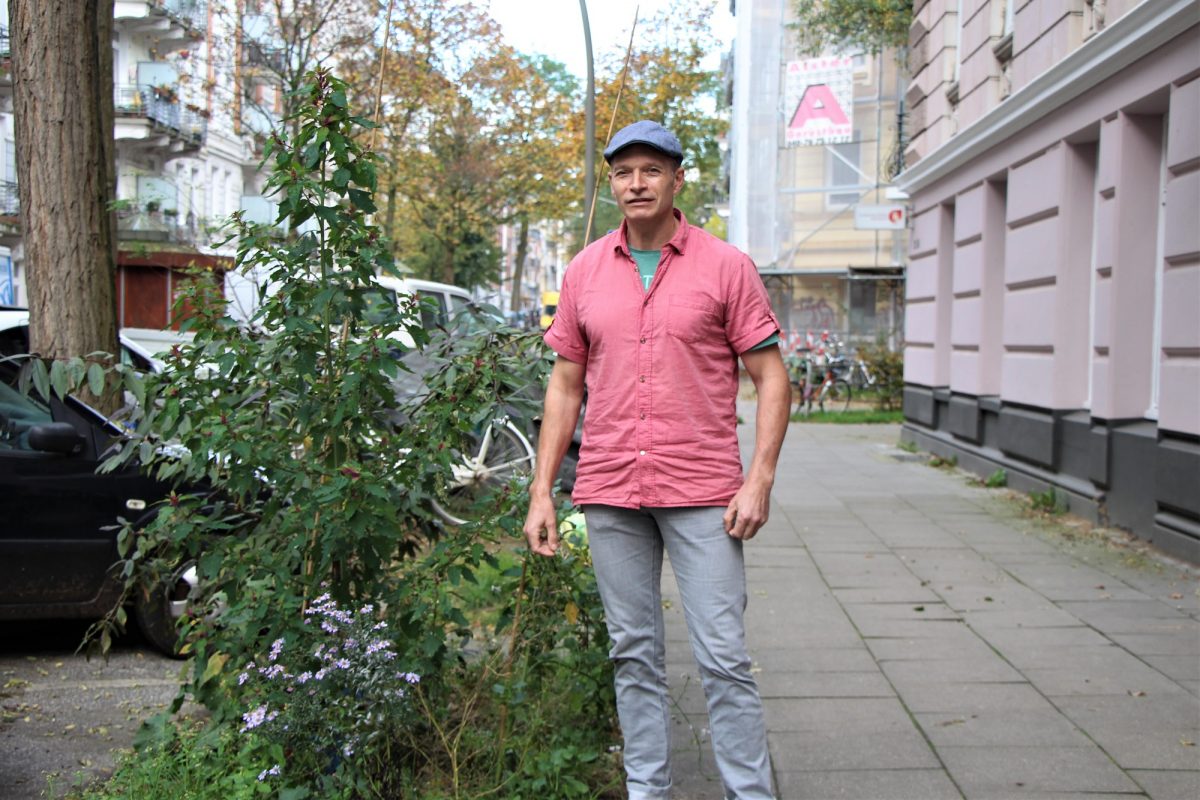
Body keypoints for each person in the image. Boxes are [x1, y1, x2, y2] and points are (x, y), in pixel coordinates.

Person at [523, 119, 790, 800]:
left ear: (677, 179)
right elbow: (564, 385)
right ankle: (648, 790)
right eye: (622, 172)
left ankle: (749, 794)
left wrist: (758, 478)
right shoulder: (584, 270)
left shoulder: (725, 266)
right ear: (611, 182)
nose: (635, 183)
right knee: (631, 654)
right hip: (611, 488)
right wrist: (543, 492)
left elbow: (771, 376)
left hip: (703, 491)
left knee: (724, 658)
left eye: (650, 170)